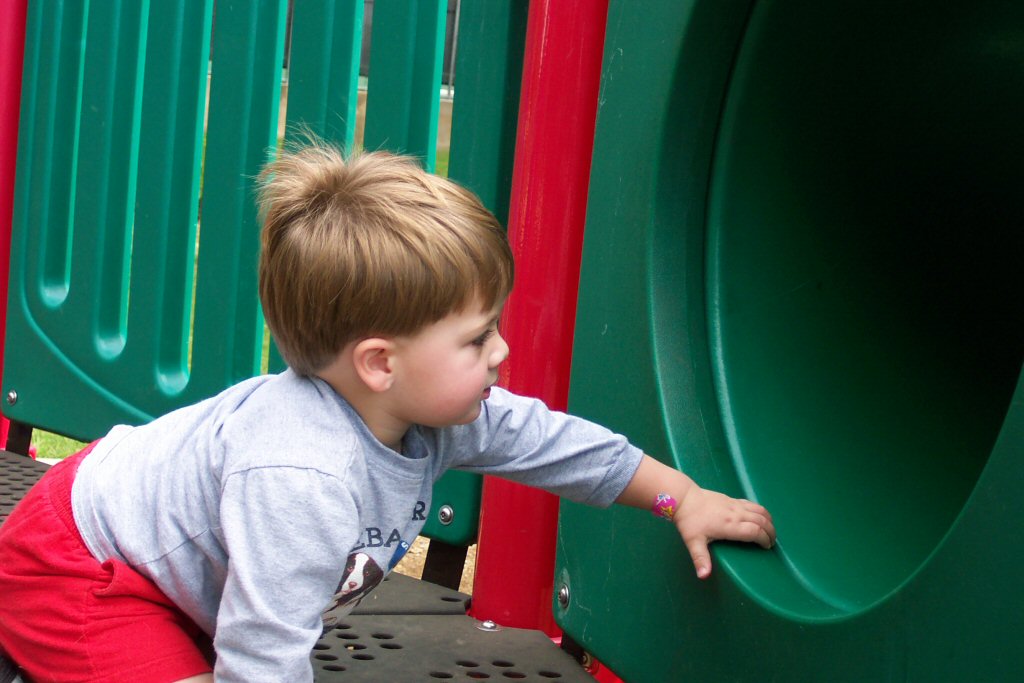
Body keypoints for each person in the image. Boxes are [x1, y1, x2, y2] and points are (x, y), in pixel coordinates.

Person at [0, 142, 775, 682]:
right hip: (80, 569)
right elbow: (264, 657)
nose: (502, 351)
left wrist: (681, 497)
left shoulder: (442, 411)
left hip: (163, 562)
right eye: (476, 337)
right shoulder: (300, 477)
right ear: (380, 363)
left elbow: (561, 447)